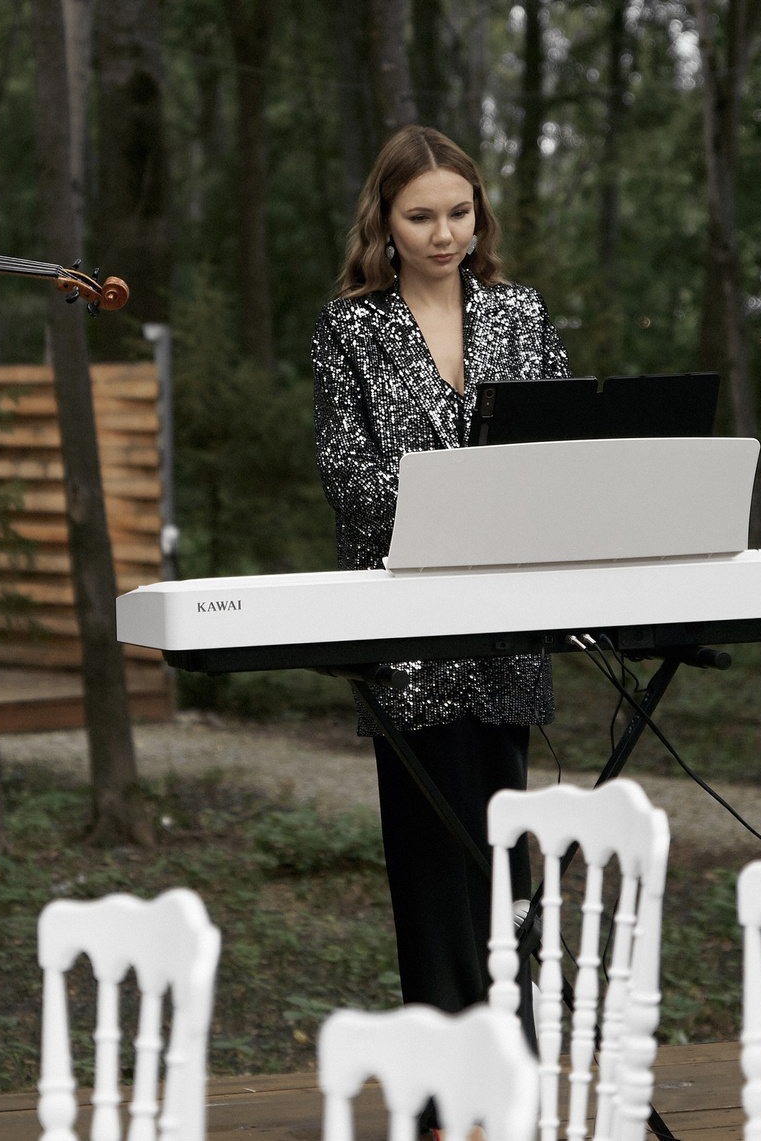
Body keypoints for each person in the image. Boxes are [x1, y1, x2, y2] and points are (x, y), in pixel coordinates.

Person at [310, 124, 568, 1022]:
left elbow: (561, 446)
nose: (444, 233)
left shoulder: (520, 314)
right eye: (421, 215)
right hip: (408, 625)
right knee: (429, 856)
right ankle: (442, 1090)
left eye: (459, 211)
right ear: (384, 220)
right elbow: (349, 476)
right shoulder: (351, 327)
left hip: (507, 622)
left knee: (503, 849)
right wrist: (463, 499)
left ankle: (515, 1059)